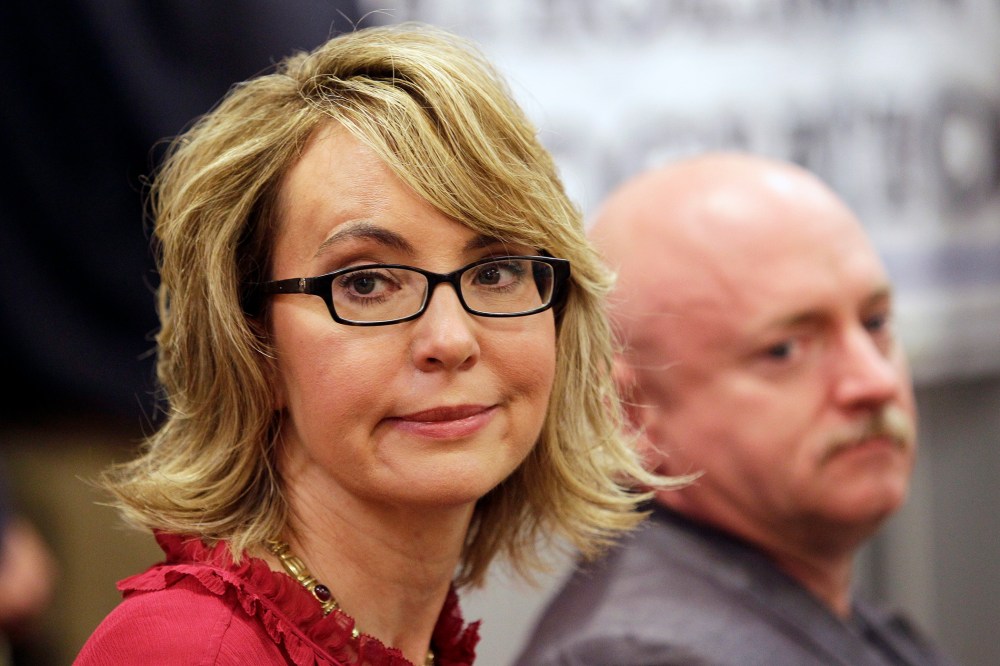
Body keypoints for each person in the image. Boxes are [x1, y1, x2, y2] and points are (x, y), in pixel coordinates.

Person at [74, 22, 673, 666]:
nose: (450, 339)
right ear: (251, 345)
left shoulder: (411, 638)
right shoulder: (188, 651)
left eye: (496, 270)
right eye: (365, 282)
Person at [516, 153, 960, 665]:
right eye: (785, 350)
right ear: (628, 414)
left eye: (876, 323)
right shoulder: (644, 654)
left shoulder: (814, 606)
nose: (874, 383)